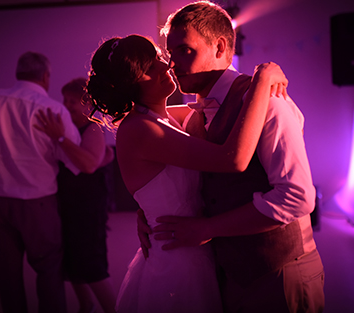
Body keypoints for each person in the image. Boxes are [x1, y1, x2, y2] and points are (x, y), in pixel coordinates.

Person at [136, 2, 325, 313]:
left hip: (281, 272)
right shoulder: (194, 115)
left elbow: (297, 197)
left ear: (220, 46)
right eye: (170, 53)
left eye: (184, 50)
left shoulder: (268, 101)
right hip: (229, 274)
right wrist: (148, 212)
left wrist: (208, 228)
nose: (172, 64)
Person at [86, 33, 288, 313]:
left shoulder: (166, 117)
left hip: (195, 248)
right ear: (128, 87)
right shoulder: (139, 129)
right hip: (177, 261)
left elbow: (212, 108)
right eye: (147, 69)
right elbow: (233, 159)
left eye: (157, 58)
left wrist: (145, 209)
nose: (163, 66)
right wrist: (261, 81)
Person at [0, 51, 81, 313]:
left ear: (17, 73)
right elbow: (73, 157)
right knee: (49, 270)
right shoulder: (53, 109)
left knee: (6, 275)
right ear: (45, 77)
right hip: (38, 203)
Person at [34, 77, 117, 313]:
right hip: (66, 203)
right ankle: (86, 306)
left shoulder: (93, 127)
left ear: (89, 105)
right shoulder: (66, 124)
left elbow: (89, 165)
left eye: (73, 101)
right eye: (65, 100)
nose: (67, 105)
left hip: (87, 207)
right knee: (71, 261)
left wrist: (59, 137)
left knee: (91, 263)